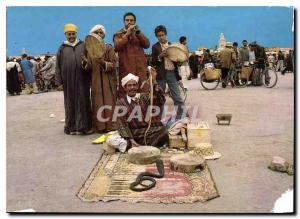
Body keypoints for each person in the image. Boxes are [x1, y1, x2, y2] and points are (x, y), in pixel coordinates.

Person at [55, 23, 93, 135]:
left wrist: (87, 65)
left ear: (76, 33)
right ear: (65, 35)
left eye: (73, 34)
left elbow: (89, 62)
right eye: (69, 34)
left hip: (82, 80)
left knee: (83, 102)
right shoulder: (62, 48)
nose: (71, 36)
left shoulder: (83, 45)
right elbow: (58, 66)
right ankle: (71, 127)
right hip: (68, 81)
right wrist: (59, 82)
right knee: (70, 103)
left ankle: (84, 127)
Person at [117, 72, 169, 149]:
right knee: (113, 139)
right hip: (134, 133)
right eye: (129, 85)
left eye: (134, 85)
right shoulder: (121, 102)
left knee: (163, 131)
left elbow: (160, 100)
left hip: (148, 130)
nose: (132, 87)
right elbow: (122, 124)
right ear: (125, 88)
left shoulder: (144, 97)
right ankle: (138, 144)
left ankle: (142, 145)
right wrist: (131, 140)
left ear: (137, 86)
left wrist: (154, 82)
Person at [84, 24, 118, 133]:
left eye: (101, 33)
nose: (99, 34)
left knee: (109, 102)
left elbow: (114, 64)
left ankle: (111, 126)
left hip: (107, 80)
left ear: (103, 35)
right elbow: (89, 67)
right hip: (96, 81)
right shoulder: (90, 50)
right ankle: (100, 127)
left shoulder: (108, 47)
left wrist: (103, 62)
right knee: (97, 102)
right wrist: (85, 62)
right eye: (96, 33)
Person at [151, 25, 186, 119]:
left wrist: (179, 62)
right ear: (156, 36)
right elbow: (152, 62)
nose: (161, 37)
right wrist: (160, 56)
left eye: (163, 35)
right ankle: (158, 120)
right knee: (160, 98)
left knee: (177, 97)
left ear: (166, 35)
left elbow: (177, 60)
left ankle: (182, 118)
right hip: (161, 75)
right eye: (159, 35)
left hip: (172, 74)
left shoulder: (172, 46)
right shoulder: (155, 47)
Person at [113, 12, 150, 97]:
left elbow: (147, 45)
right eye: (127, 20)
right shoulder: (118, 34)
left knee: (143, 92)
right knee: (126, 94)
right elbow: (117, 46)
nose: (129, 22)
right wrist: (127, 34)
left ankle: (143, 110)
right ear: (124, 22)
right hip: (126, 69)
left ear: (135, 22)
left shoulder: (138, 33)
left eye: (131, 20)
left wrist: (138, 33)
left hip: (141, 69)